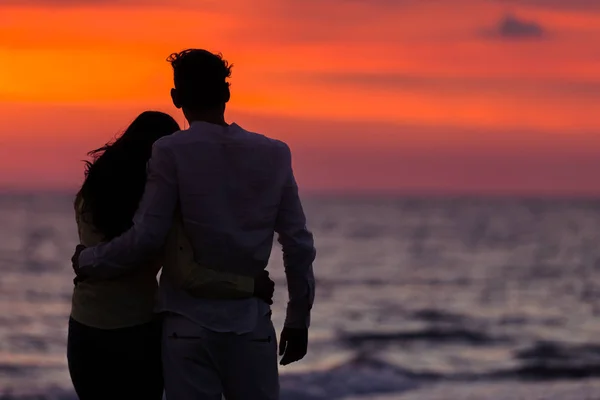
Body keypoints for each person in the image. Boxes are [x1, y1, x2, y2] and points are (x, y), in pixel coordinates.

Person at [72, 49, 316, 400]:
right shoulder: (275, 153)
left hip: (186, 328)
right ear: (227, 94)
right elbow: (298, 244)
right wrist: (298, 319)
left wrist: (89, 260)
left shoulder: (171, 151)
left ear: (176, 98)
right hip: (251, 326)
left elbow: (147, 237)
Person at [68, 111, 275, 400]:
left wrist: (88, 260)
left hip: (85, 326)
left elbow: (103, 255)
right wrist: (250, 284)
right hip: (136, 329)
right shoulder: (159, 208)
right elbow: (179, 269)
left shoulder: (91, 191)